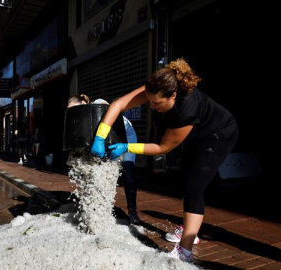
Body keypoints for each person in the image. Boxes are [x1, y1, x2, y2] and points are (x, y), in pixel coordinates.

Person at [91, 58, 238, 263]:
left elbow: (164, 147)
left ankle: (185, 250)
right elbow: (119, 104)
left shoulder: (187, 107)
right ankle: (189, 228)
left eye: (157, 103)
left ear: (173, 95)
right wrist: (100, 135)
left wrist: (127, 147)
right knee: (186, 178)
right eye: (149, 101)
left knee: (194, 185)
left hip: (219, 133)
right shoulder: (157, 88)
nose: (151, 106)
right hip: (197, 133)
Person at [67, 94, 141, 224]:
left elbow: (107, 108)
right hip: (104, 139)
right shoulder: (83, 124)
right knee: (96, 172)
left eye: (76, 109)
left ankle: (132, 211)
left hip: (125, 133)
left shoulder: (99, 102)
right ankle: (97, 209)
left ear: (84, 103)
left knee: (128, 169)